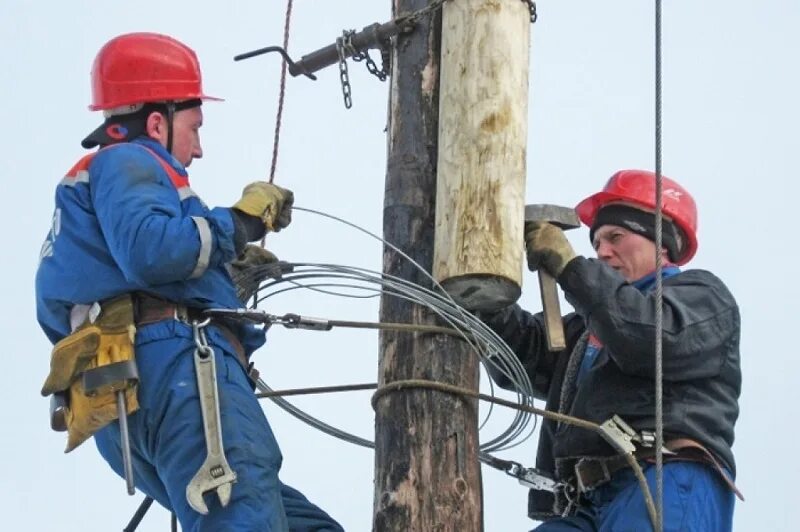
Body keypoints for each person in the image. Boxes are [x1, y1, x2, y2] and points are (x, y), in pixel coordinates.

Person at [36, 32, 343, 531]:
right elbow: (150, 251)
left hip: (123, 395)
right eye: (194, 127)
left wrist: (221, 280)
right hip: (179, 371)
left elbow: (114, 287)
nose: (198, 149)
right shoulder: (128, 160)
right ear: (157, 122)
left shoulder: (81, 204)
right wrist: (240, 224)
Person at [479, 170, 742, 531]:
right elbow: (518, 356)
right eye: (596, 242)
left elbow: (645, 338)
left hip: (665, 477)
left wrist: (571, 270)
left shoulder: (702, 299)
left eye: (616, 236)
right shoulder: (585, 331)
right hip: (584, 503)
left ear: (662, 244)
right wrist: (480, 296)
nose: (602, 252)